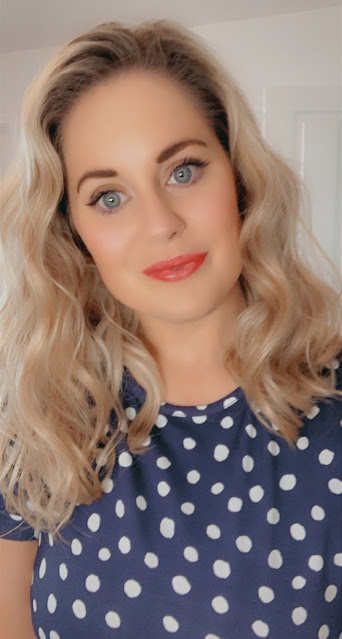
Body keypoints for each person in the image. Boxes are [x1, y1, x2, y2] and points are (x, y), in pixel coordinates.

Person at [0, 18, 341, 639]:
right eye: (108, 196)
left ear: (238, 176)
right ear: (73, 234)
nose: (160, 223)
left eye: (183, 170)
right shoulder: (42, 417)